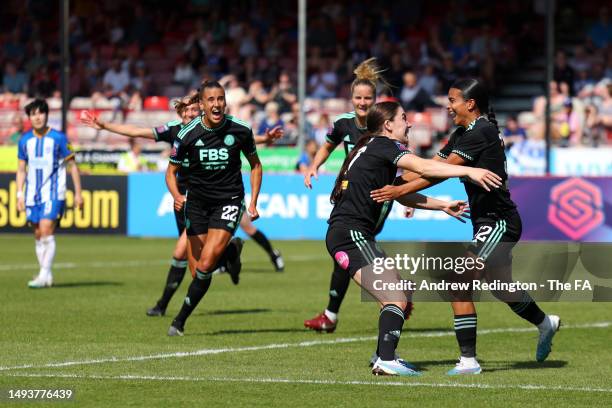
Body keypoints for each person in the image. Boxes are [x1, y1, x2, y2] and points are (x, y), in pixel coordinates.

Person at [370, 78, 561, 375]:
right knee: (502, 286)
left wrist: (398, 193)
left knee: (457, 280)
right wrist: (397, 185)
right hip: (485, 222)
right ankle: (545, 323)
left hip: (500, 222)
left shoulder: (480, 131)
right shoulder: (462, 132)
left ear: (469, 104)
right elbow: (430, 166)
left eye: (452, 100)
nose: (448, 106)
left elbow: (439, 175)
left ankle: (469, 361)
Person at [327, 101, 500, 376]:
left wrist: (441, 205)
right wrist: (469, 170)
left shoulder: (369, 147)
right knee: (396, 297)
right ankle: (385, 360)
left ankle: (383, 355)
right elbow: (424, 168)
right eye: (403, 118)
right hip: (351, 234)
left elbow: (399, 192)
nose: (409, 124)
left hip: (347, 233)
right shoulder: (385, 146)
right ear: (388, 125)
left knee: (401, 292)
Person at [80, 94, 202, 316]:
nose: (191, 113)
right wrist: (105, 125)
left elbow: (237, 137)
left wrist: (264, 140)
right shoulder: (174, 130)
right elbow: (138, 132)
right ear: (181, 112)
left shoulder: (209, 129)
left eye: (195, 110)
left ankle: (165, 306)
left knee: (181, 252)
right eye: (188, 110)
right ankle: (229, 254)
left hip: (201, 199)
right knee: (190, 257)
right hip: (180, 199)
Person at [166, 80, 262, 336]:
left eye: (220, 99)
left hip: (229, 201)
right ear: (202, 104)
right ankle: (231, 252)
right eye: (211, 100)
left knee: (206, 264)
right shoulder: (187, 134)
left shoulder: (240, 130)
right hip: (196, 203)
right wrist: (176, 194)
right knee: (196, 270)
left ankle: (179, 320)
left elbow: (255, 165)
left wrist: (252, 201)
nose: (217, 104)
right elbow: (170, 172)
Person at [303, 58, 382, 334]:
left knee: (351, 251)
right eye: (358, 98)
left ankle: (392, 297)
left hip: (376, 200)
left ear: (375, 99)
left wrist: (403, 193)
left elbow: (399, 159)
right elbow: (326, 146)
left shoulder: (383, 125)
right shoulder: (344, 125)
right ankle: (332, 314)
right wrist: (314, 165)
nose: (362, 102)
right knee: (346, 253)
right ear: (351, 99)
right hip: (350, 198)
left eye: (368, 98)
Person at [16, 98, 83, 288]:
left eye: (40, 113)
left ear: (46, 115)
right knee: (38, 233)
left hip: (54, 192)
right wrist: (19, 195)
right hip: (31, 194)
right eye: (33, 114)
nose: (37, 117)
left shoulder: (60, 138)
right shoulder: (24, 141)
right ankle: (46, 274)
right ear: (29, 117)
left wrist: (78, 192)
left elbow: (73, 165)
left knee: (46, 229)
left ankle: (43, 275)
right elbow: (21, 169)